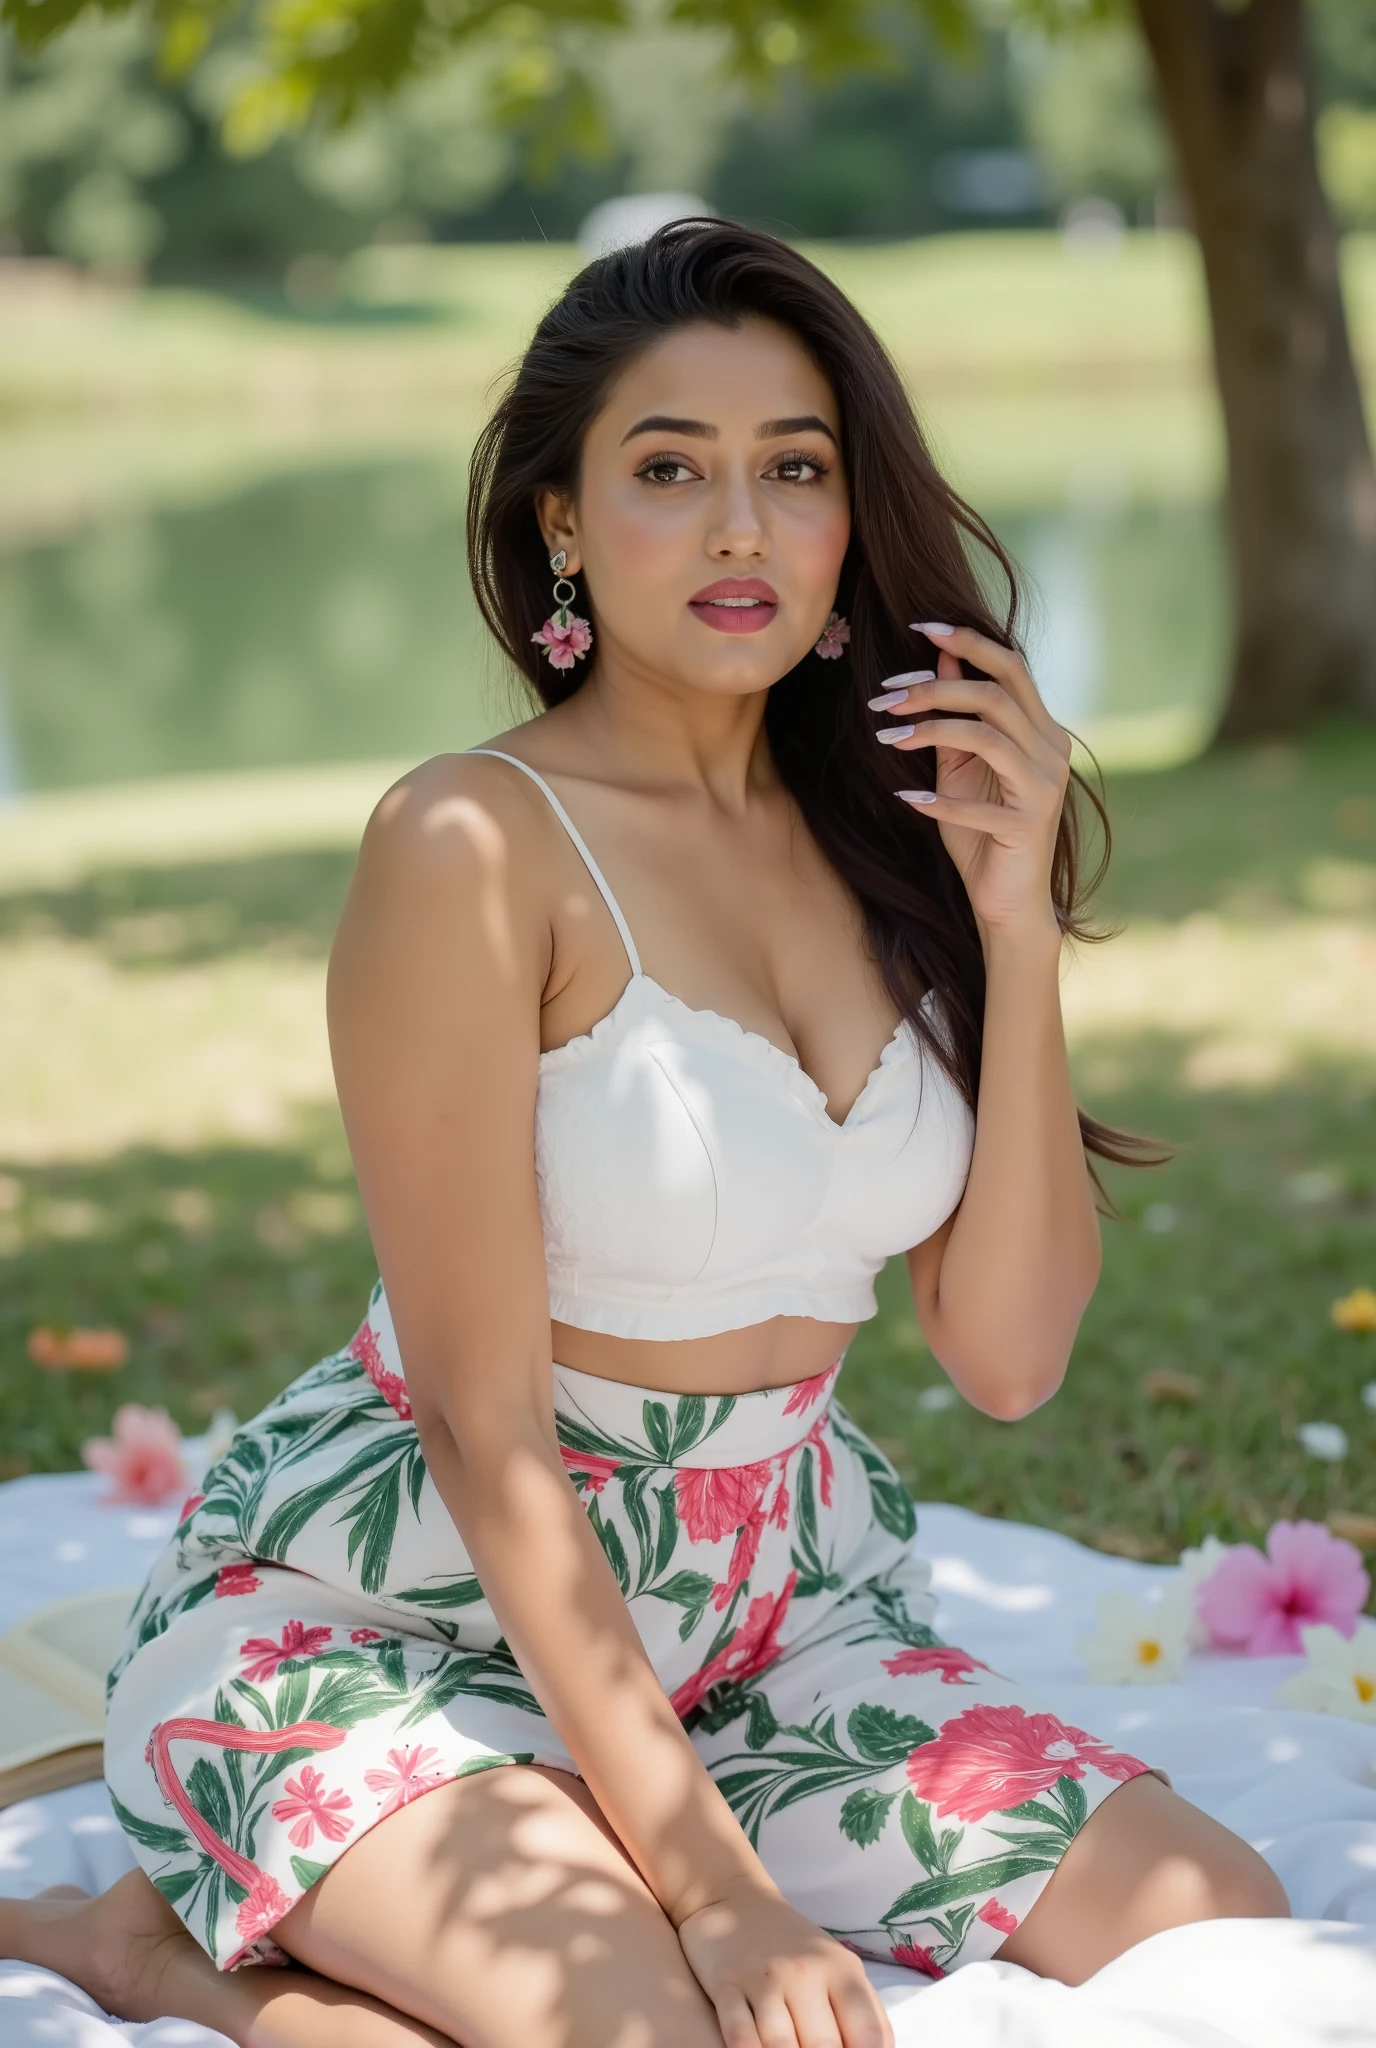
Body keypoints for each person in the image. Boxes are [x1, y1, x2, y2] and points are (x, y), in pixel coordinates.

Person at [3, 219, 1285, 2048]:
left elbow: (1006, 1362)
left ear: (849, 516)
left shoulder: (897, 839)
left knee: (1207, 1923)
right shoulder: (471, 842)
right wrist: (717, 1894)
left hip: (770, 1630)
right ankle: (157, 1956)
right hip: (395, 1624)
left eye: (795, 469)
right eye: (670, 470)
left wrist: (1014, 923)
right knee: (659, 2036)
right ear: (564, 523)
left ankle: (303, 1922)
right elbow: (482, 1427)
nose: (740, 527)